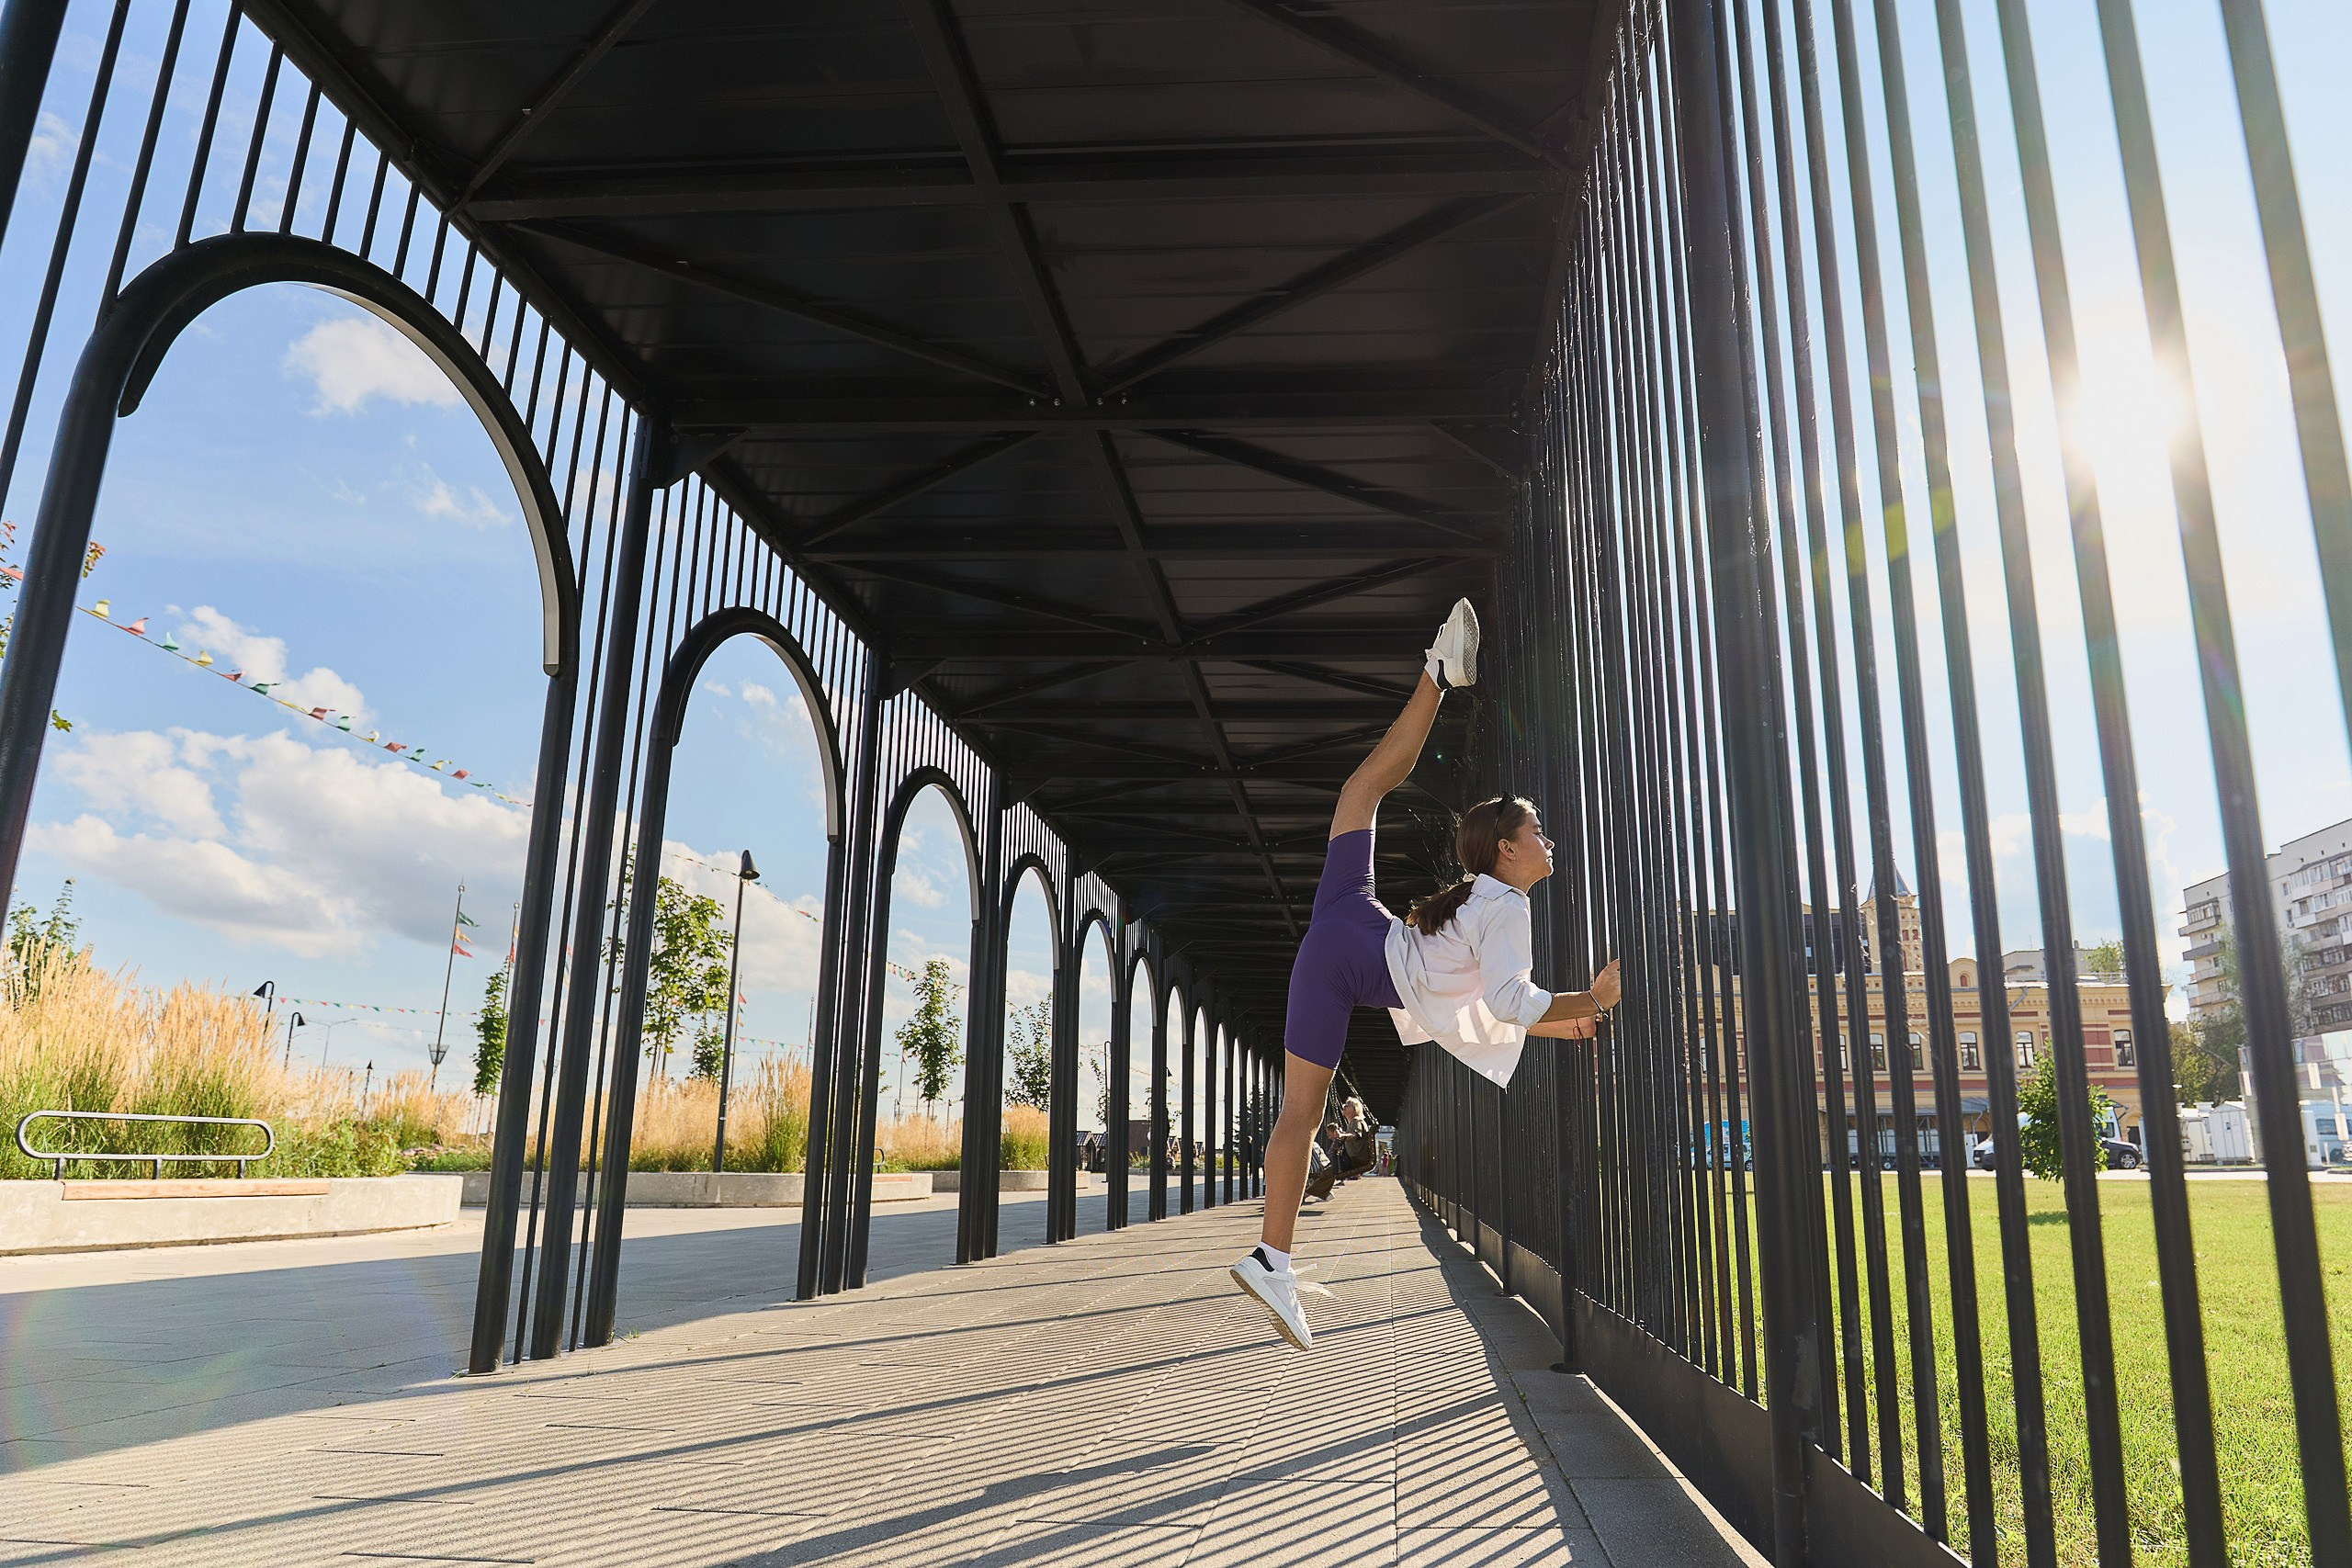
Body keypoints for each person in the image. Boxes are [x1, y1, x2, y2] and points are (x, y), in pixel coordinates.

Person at [1228, 598, 1622, 1350]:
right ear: (1505, 851)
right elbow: (1505, 1001)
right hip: (1355, 959)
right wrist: (1591, 997)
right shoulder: (1506, 905)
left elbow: (1488, 999)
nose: (1547, 839)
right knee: (1302, 1113)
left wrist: (1564, 1016)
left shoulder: (1479, 897)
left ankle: (1272, 1255)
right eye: (1535, 829)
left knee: (1362, 788)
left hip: (1338, 926)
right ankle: (1271, 1259)